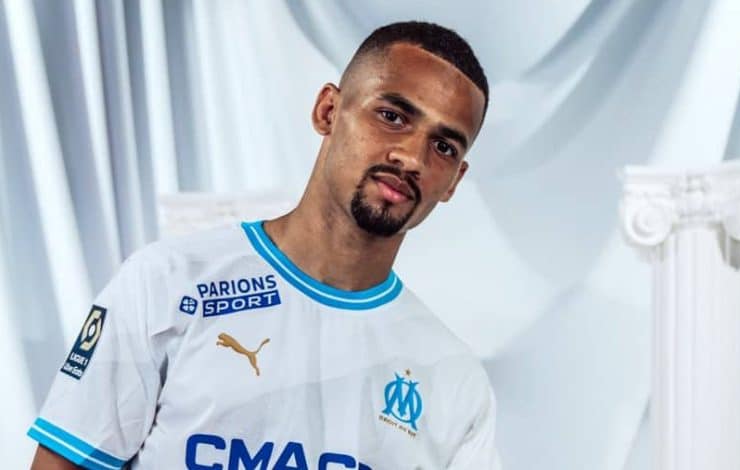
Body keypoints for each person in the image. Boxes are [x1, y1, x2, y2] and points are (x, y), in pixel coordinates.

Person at [29, 20, 500, 469]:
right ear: (328, 111)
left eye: (444, 147)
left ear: (455, 181)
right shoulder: (167, 283)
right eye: (392, 116)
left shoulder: (454, 379)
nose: (412, 157)